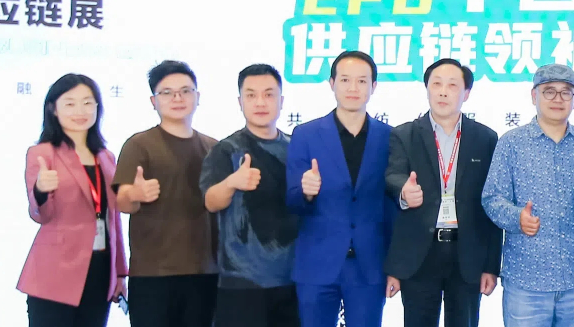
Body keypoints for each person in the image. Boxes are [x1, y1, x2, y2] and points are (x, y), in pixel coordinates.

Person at [384, 59, 503, 327]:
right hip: (419, 254)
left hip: (468, 254)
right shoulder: (404, 134)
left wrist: (491, 265)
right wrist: (404, 191)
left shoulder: (485, 138)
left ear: (466, 93)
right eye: (436, 84)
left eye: (452, 85)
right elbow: (392, 175)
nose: (443, 92)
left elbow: (492, 202)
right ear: (426, 89)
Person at [481, 63, 574, 327]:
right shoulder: (511, 142)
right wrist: (517, 218)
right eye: (549, 91)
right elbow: (492, 197)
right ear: (534, 96)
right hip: (526, 281)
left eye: (566, 92)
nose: (558, 98)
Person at [286, 51, 395, 327]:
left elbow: (391, 207)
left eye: (362, 81)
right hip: (317, 263)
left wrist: (396, 266)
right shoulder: (305, 135)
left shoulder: (390, 137)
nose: (353, 88)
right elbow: (291, 201)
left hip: (369, 264)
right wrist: (306, 191)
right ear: (332, 83)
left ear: (374, 87)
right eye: (345, 80)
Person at [113, 60, 220, 327]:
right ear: (154, 101)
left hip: (205, 272)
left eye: (185, 91)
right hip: (153, 274)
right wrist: (135, 193)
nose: (177, 98)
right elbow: (122, 201)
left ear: (197, 97)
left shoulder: (215, 148)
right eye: (167, 92)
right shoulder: (139, 145)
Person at [199, 64, 301, 327]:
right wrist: (232, 182)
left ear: (281, 101)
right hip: (241, 281)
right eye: (251, 95)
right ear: (240, 102)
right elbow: (211, 201)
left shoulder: (298, 148)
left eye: (268, 94)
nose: (260, 102)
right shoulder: (226, 149)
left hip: (294, 278)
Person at [22, 74, 126, 327]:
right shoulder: (42, 153)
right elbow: (40, 214)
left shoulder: (106, 157)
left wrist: (120, 273)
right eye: (70, 103)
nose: (80, 111)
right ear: (53, 109)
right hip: (55, 272)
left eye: (88, 103)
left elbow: (113, 219)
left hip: (100, 270)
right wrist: (41, 190)